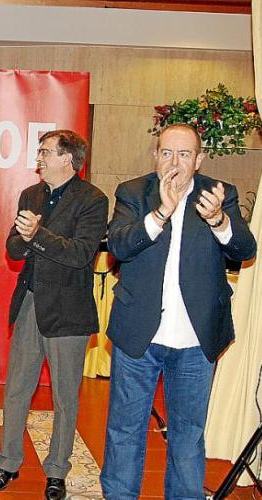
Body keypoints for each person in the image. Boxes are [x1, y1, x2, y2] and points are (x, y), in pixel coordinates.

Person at [100, 123, 256, 499]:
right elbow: (118, 246)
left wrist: (219, 220)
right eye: (167, 153)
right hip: (138, 335)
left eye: (184, 154)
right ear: (156, 156)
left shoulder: (219, 195)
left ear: (198, 160)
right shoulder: (133, 192)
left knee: (188, 435)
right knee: (124, 429)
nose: (174, 162)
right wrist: (160, 214)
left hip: (195, 340)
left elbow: (245, 249)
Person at [0, 130, 108, 498]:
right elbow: (13, 246)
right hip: (30, 303)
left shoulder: (93, 200)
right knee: (16, 390)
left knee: (65, 398)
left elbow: (81, 254)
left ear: (67, 158)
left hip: (68, 311)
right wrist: (25, 239)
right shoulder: (31, 194)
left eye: (45, 152)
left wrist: (37, 234)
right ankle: (7, 463)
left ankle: (57, 471)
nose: (38, 158)